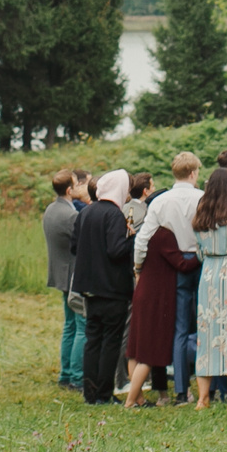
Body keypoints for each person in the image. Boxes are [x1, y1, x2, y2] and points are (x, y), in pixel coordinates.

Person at [122, 171, 193, 409]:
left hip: (143, 291)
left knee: (135, 349)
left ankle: (139, 396)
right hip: (156, 296)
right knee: (150, 353)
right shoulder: (165, 236)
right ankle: (132, 400)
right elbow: (181, 263)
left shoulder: (148, 235)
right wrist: (203, 256)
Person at [70, 170, 135, 404]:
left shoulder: (86, 212)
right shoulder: (114, 215)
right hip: (112, 287)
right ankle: (104, 394)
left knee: (92, 339)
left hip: (89, 286)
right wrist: (132, 239)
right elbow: (116, 250)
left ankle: (90, 393)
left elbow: (74, 246)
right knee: (110, 342)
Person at [143, 155, 202, 403]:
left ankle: (180, 389)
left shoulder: (161, 201)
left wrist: (138, 266)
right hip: (201, 260)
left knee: (178, 328)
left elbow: (144, 237)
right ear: (193, 173)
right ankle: (208, 386)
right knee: (204, 326)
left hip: (174, 263)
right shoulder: (202, 198)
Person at [191, 169, 227, 408]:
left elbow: (198, 251)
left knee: (206, 335)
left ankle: (203, 398)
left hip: (208, 273)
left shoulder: (201, 216)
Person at [41, 169, 84, 391]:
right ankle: (77, 376)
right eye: (77, 184)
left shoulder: (50, 210)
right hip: (73, 274)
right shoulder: (71, 216)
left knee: (69, 325)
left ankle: (65, 373)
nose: (79, 186)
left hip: (59, 272)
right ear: (69, 190)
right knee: (81, 326)